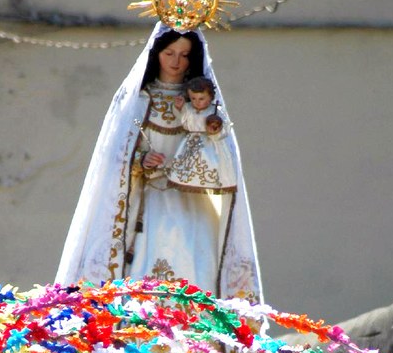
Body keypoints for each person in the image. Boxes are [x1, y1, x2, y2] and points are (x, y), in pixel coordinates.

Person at [56, 22, 262, 300]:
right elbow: (116, 153)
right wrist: (141, 159)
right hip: (147, 200)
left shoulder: (203, 105)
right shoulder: (139, 100)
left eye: (185, 55)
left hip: (191, 203)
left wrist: (210, 132)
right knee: (140, 268)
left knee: (197, 264)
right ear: (157, 54)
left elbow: (219, 149)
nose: (177, 62)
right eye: (169, 53)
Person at [165, 75, 236, 195]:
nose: (197, 102)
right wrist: (179, 108)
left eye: (201, 98)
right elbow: (183, 121)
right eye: (193, 98)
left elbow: (226, 128)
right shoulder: (188, 108)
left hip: (210, 144)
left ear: (210, 98)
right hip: (190, 143)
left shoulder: (216, 111)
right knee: (188, 166)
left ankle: (210, 182)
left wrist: (215, 130)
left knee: (208, 165)